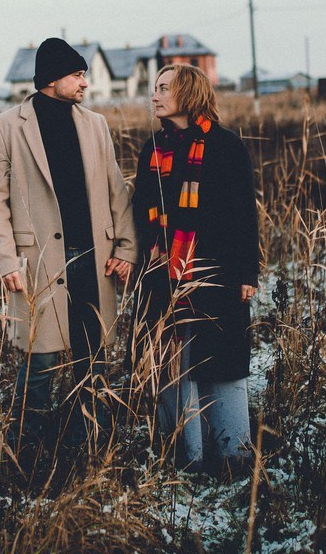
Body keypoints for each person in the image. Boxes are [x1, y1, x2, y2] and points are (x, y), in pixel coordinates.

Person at [0, 38, 138, 454]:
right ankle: (25, 447)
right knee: (41, 359)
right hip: (38, 264)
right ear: (52, 79)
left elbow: (116, 191)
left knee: (95, 356)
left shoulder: (95, 124)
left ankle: (89, 443)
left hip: (95, 260)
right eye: (77, 75)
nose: (84, 83)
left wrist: (125, 249)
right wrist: (5, 262)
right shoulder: (5, 127)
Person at [130, 63, 260, 475]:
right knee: (173, 363)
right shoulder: (152, 150)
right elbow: (141, 211)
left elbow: (243, 215)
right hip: (163, 277)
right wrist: (148, 251)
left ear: (187, 93)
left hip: (215, 274)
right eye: (154, 88)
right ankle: (185, 456)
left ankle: (231, 455)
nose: (154, 95)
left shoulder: (225, 146)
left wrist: (245, 274)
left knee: (219, 360)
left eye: (163, 88)